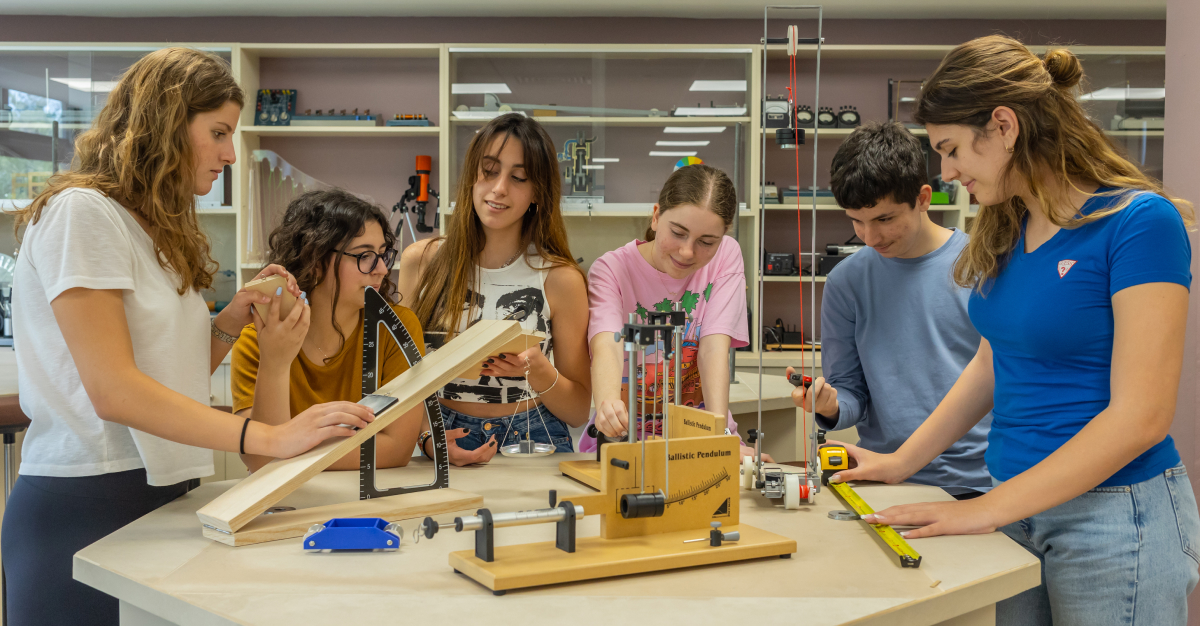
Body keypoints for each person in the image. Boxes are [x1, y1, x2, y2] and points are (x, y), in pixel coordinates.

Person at [831, 36, 1200, 624]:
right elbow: (990, 364)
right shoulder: (1006, 228)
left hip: (1113, 516)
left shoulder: (1138, 223)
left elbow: (1142, 416)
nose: (947, 173)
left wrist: (984, 508)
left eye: (951, 149)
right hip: (1016, 509)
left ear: (1003, 126)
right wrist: (900, 462)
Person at [1, 48, 373, 626]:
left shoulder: (155, 230)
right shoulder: (83, 213)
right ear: (167, 124)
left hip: (159, 489)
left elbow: (165, 375)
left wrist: (229, 322)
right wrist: (268, 436)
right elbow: (115, 391)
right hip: (85, 499)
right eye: (219, 132)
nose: (230, 153)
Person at [787, 121, 991, 499]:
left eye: (884, 219)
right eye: (856, 222)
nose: (870, 236)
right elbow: (850, 397)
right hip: (885, 480)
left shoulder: (981, 266)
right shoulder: (846, 282)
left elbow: (999, 378)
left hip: (978, 483)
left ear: (924, 197)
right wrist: (830, 406)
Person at [395, 113, 591, 464]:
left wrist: (541, 371)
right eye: (489, 170)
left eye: (518, 178)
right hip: (442, 434)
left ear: (537, 194)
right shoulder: (421, 262)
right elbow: (403, 379)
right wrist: (428, 437)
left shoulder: (561, 279)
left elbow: (578, 411)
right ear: (472, 175)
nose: (499, 188)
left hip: (534, 438)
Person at [231, 188, 427, 472]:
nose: (382, 270)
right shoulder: (256, 340)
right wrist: (275, 361)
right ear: (316, 258)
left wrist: (290, 450)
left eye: (383, 255)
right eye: (365, 256)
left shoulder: (397, 328)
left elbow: (397, 449)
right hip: (286, 504)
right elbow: (261, 460)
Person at [585, 164, 759, 460]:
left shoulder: (726, 256)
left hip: (701, 436)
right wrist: (607, 405)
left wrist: (719, 440)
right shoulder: (611, 269)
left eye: (707, 242)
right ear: (656, 216)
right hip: (624, 440)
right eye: (678, 233)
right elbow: (608, 346)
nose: (688, 252)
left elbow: (713, 348)